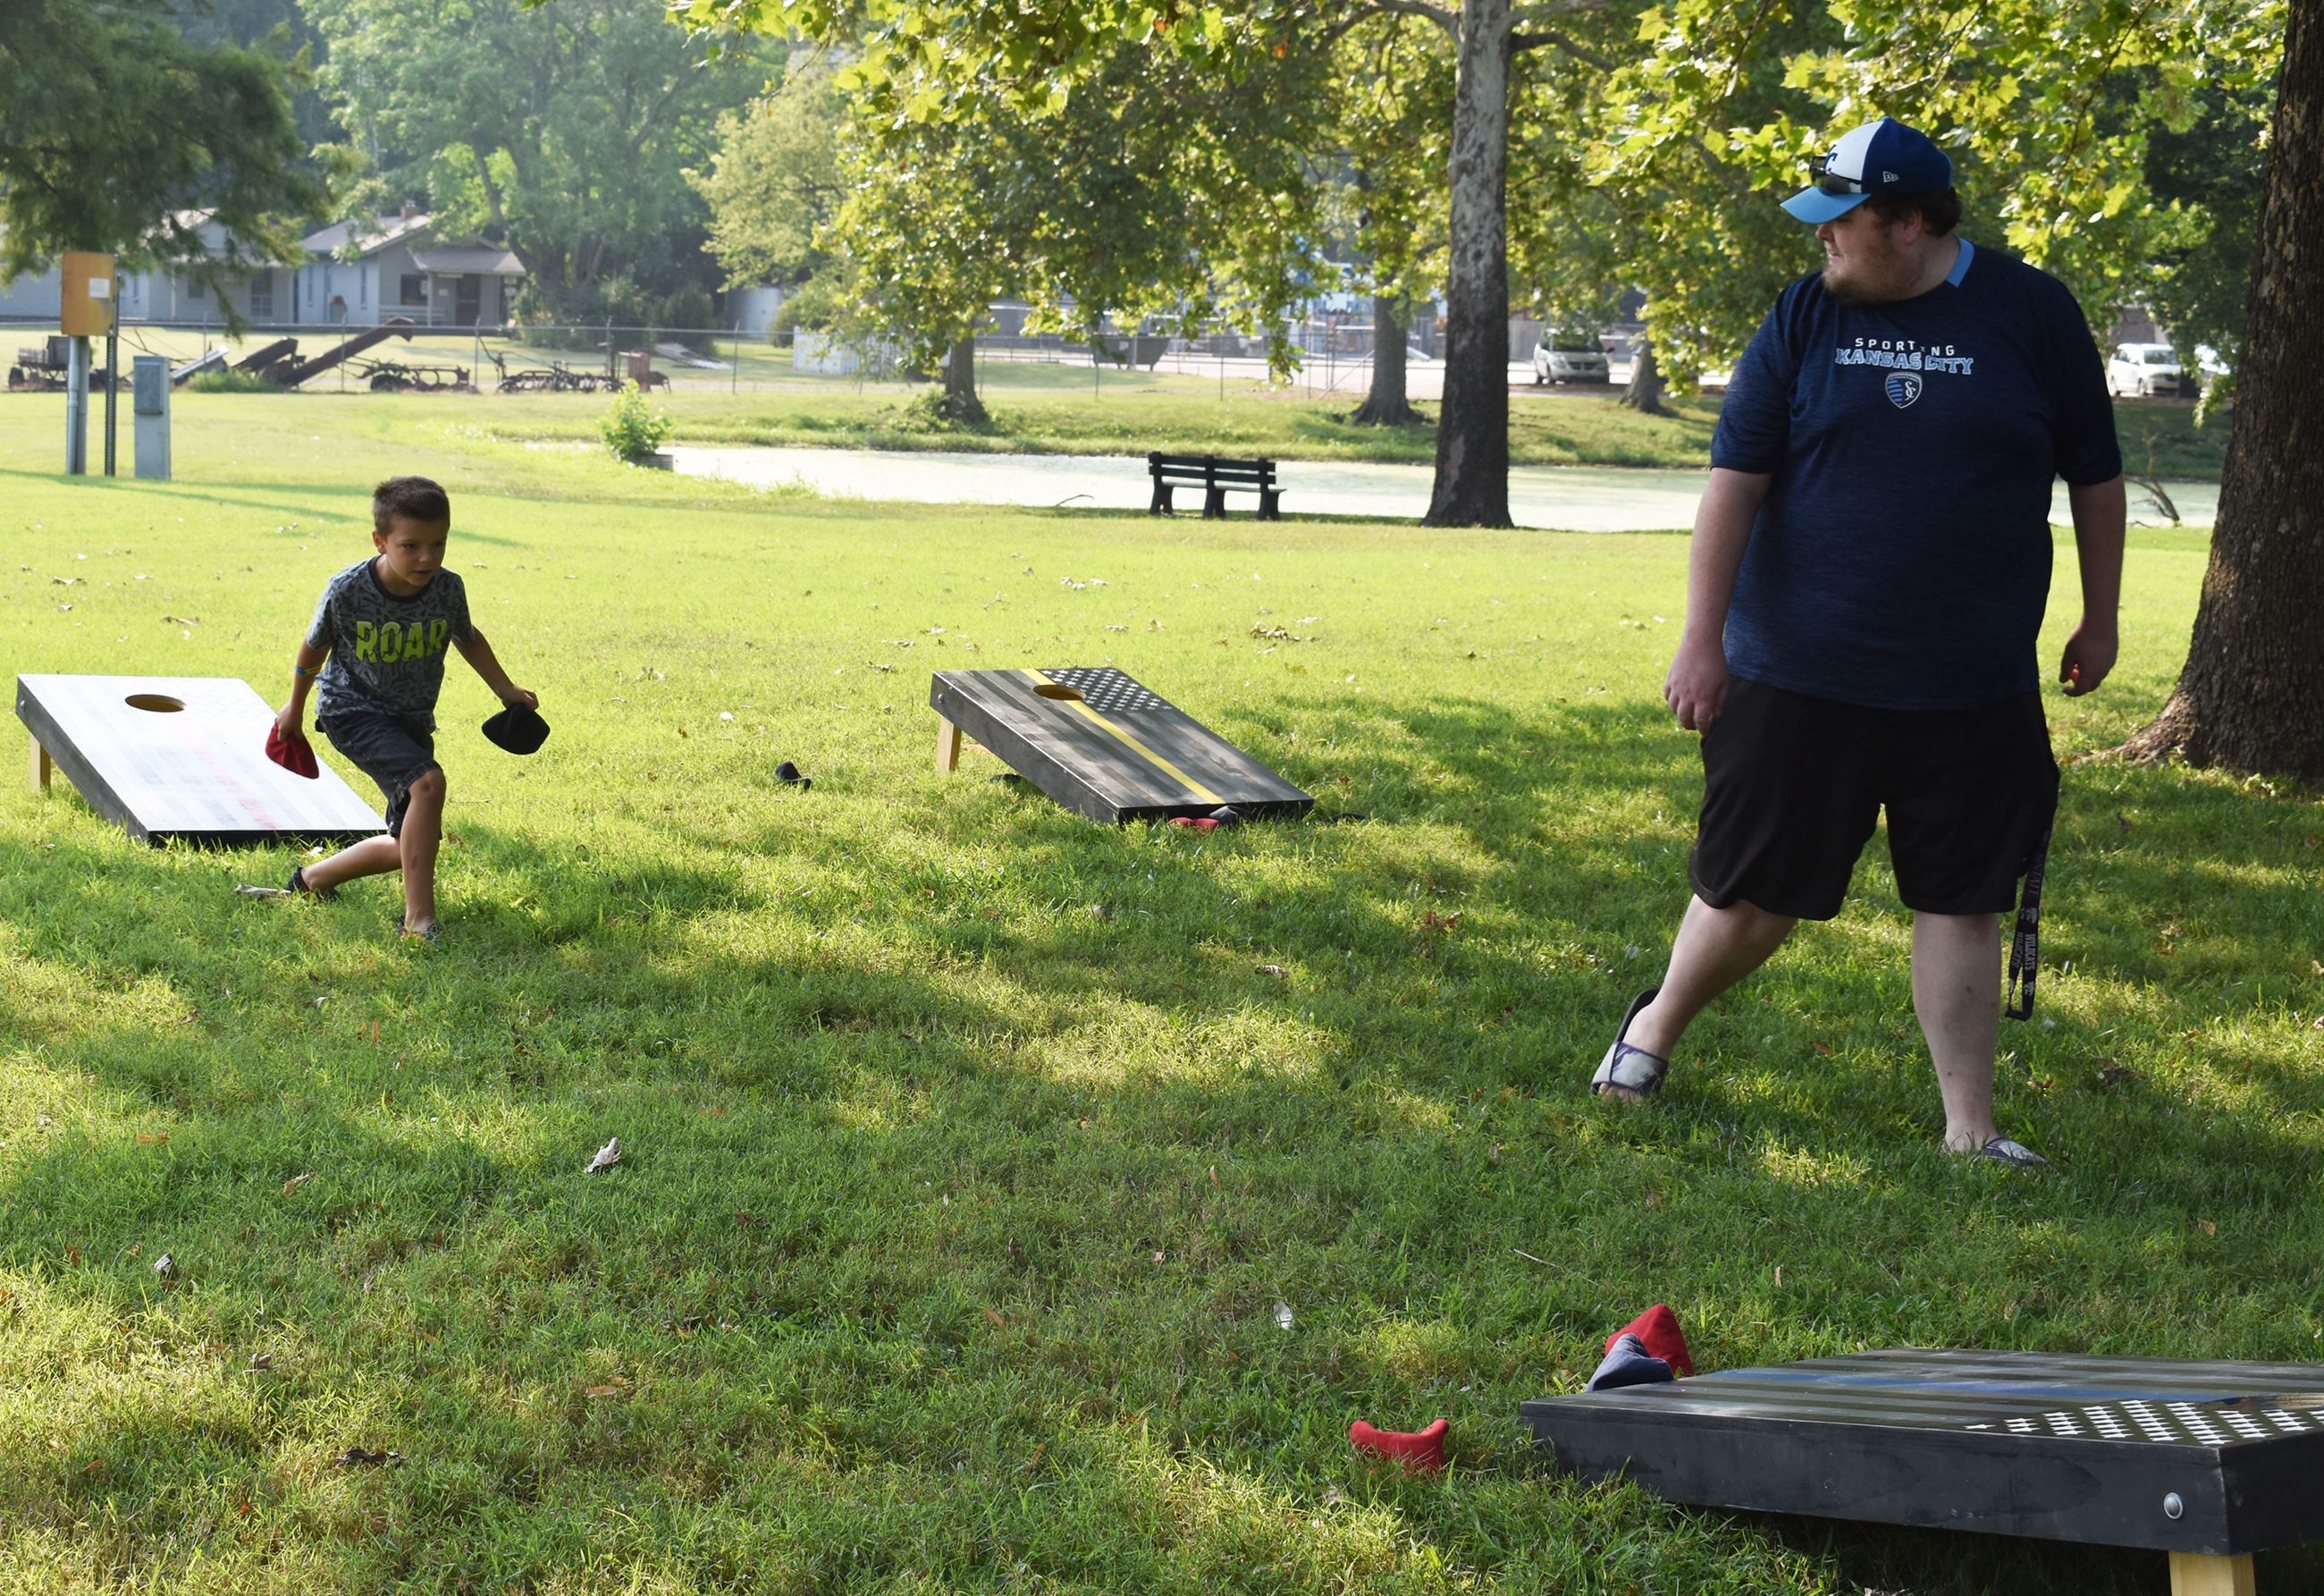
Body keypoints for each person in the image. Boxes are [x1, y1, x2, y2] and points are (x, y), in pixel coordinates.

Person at [1592, 117, 2126, 1168]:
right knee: (1748, 897)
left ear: (1910, 221)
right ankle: (1649, 1030)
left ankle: (1966, 1128)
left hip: (1969, 678)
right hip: (1797, 668)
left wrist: (2099, 619)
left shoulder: (2031, 313)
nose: (1822, 241)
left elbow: (2095, 480)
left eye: (1840, 221)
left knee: (1961, 898)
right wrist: (1702, 641)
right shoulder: (1803, 315)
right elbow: (1731, 487)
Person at [274, 476, 536, 942]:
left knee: (411, 845)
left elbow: (467, 638)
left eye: (439, 544)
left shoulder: (447, 588)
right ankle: (418, 922)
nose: (427, 558)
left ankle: (311, 880)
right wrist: (292, 711)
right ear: (380, 540)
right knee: (428, 783)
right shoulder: (348, 590)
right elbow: (312, 650)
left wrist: (505, 689)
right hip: (350, 710)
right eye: (410, 546)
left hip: (410, 719)